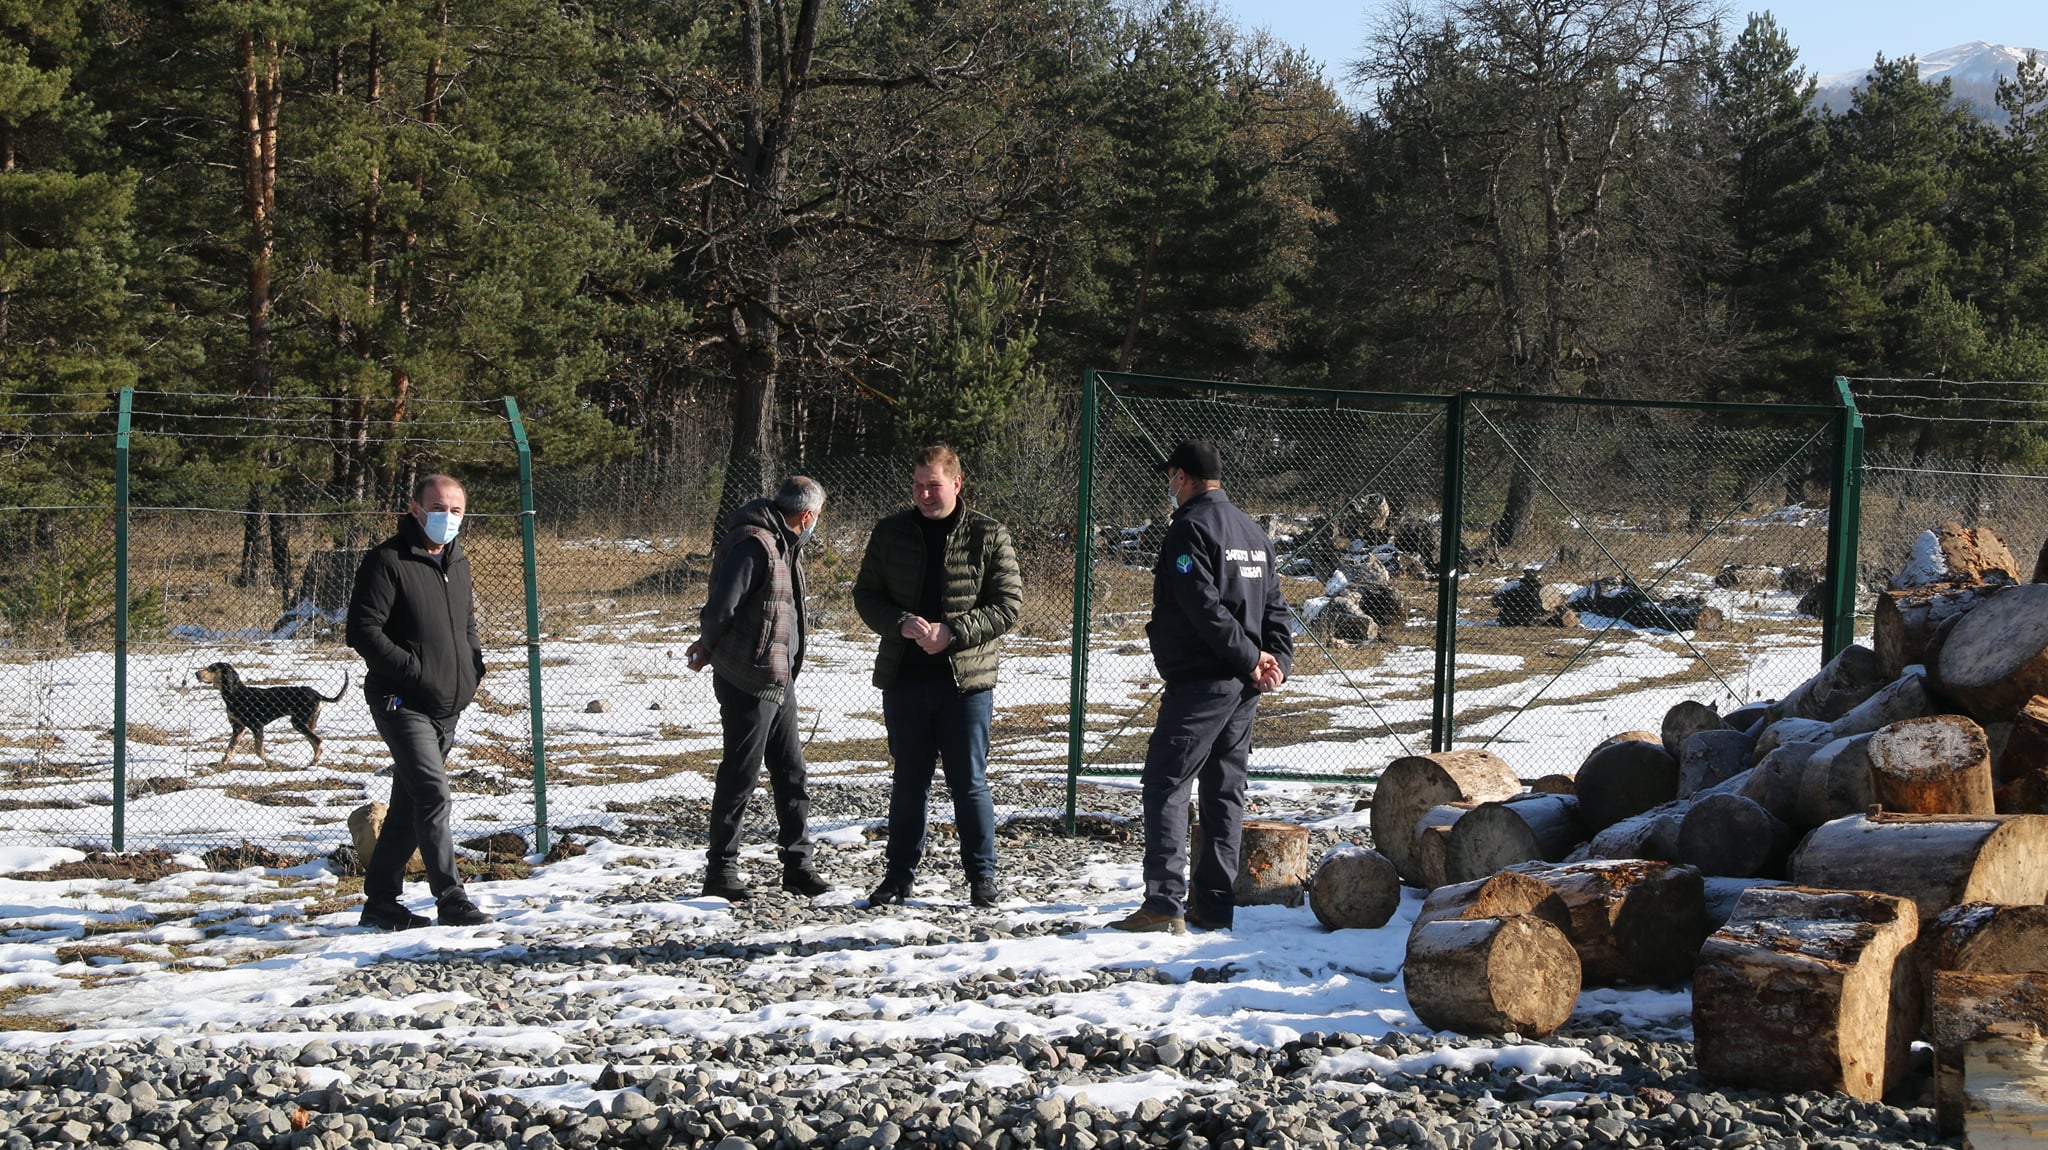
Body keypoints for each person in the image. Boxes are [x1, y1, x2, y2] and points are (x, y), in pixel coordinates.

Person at [1112, 439, 1292, 934]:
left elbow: (1203, 607)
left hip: (1202, 682)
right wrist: (1275, 661)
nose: (1169, 486)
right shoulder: (1253, 532)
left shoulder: (1190, 528)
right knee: (1223, 792)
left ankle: (1163, 904)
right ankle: (1213, 907)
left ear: (1182, 477)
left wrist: (1253, 657)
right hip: (1245, 686)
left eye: (1170, 477)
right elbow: (1275, 606)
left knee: (1167, 783)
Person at [852, 446, 1023, 909]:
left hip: (965, 683)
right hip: (905, 679)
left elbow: (1009, 605)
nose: (925, 494)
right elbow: (866, 595)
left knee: (968, 782)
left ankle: (982, 878)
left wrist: (954, 633)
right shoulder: (890, 532)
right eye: (918, 485)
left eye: (934, 485)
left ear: (957, 484)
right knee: (909, 781)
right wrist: (900, 623)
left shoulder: (988, 533)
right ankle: (898, 878)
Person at [347, 474, 493, 929]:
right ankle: (450, 896)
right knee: (432, 793)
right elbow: (362, 632)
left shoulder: (458, 561)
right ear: (414, 508)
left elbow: (466, 624)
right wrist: (415, 673)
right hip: (400, 700)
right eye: (438, 507)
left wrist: (472, 671)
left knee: (410, 805)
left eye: (456, 511)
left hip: (447, 706)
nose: (447, 518)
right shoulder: (387, 560)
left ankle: (381, 904)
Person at [684, 477, 832, 901]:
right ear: (806, 516)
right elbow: (722, 606)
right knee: (741, 774)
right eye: (816, 518)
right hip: (747, 677)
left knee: (791, 772)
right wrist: (709, 645)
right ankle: (721, 871)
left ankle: (798, 866)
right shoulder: (756, 544)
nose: (815, 524)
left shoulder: (785, 541)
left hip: (777, 677)